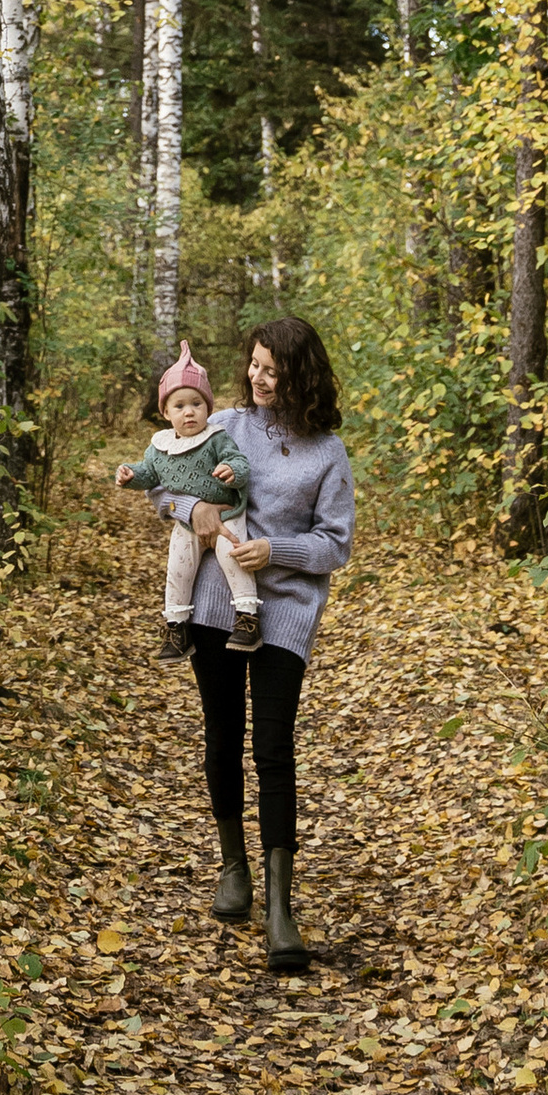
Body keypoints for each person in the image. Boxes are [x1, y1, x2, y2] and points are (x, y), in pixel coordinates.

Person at [140, 313, 354, 975]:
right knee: (223, 733)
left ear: (301, 376)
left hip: (284, 613)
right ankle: (234, 867)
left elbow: (335, 544)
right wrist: (193, 509)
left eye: (273, 370)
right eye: (255, 366)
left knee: (274, 747)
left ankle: (281, 906)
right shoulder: (222, 424)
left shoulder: (327, 453)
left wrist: (275, 550)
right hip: (214, 606)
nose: (259, 379)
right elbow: (163, 486)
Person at [114, 343, 265, 660]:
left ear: (208, 407)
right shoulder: (160, 446)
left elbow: (239, 462)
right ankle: (177, 626)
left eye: (197, 404)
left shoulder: (216, 437)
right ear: (165, 412)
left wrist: (231, 471)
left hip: (227, 513)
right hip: (186, 522)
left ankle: (247, 618)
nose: (189, 412)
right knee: (178, 567)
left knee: (233, 556)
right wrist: (131, 475)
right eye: (179, 406)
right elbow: (150, 475)